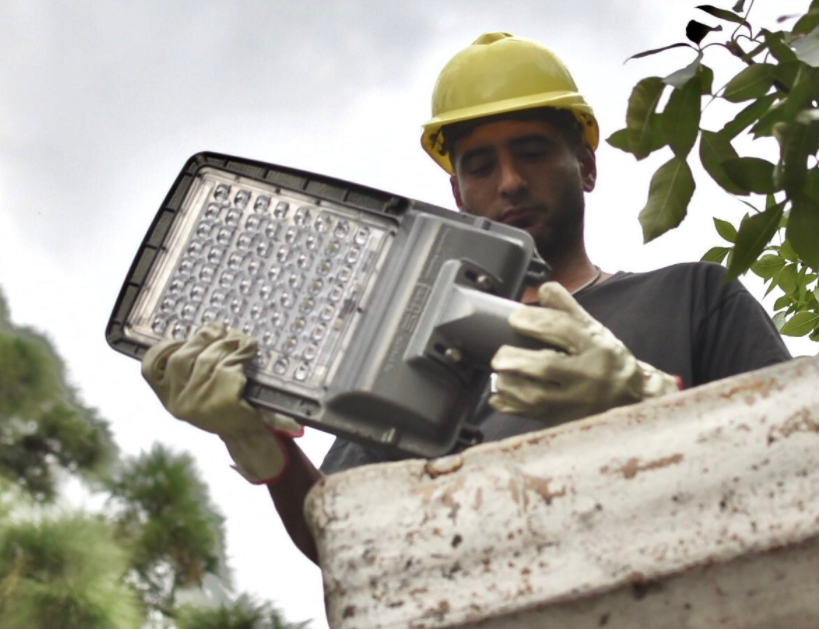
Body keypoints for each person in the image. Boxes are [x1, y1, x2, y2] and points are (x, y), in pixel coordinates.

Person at [140, 33, 792, 565]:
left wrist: (646, 400)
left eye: (532, 152)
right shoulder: (404, 370)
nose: (509, 181)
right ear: (456, 194)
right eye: (480, 166)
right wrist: (260, 445)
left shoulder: (691, 298)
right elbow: (347, 544)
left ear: (586, 166)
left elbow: (796, 466)